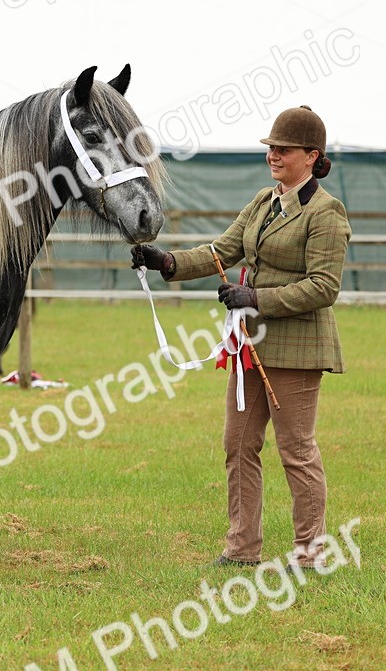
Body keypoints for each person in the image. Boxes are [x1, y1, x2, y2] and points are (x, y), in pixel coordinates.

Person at [132, 105, 352, 569]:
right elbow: (221, 251)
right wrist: (166, 262)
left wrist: (256, 297)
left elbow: (323, 287)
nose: (273, 155)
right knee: (237, 445)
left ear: (312, 156)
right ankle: (242, 548)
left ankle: (310, 554)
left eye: (283, 149)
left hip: (297, 349)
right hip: (250, 347)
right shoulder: (262, 201)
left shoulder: (326, 212)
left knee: (296, 451)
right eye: (270, 147)